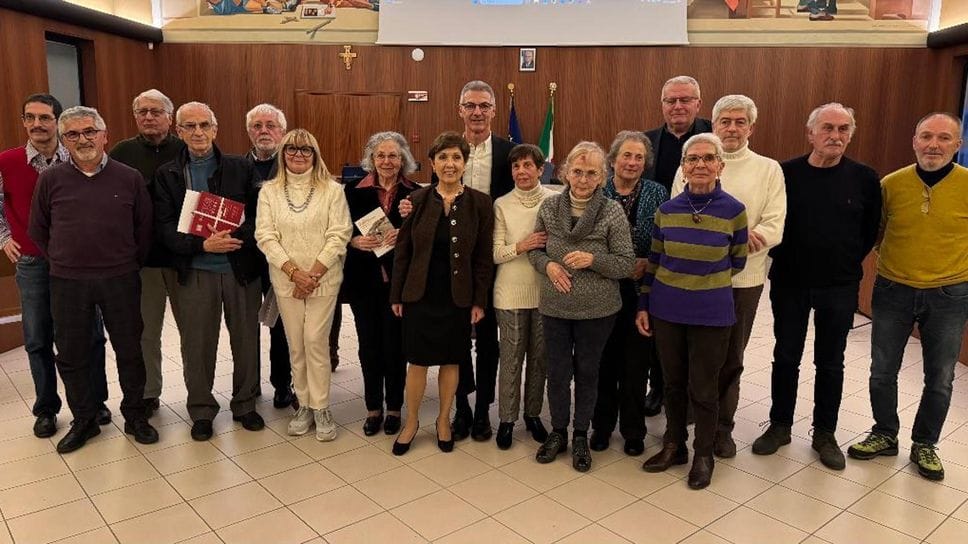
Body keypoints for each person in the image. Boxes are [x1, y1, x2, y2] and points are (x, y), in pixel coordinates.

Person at [752, 103, 880, 470]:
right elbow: (771, 219)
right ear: (811, 134)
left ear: (850, 135)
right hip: (791, 280)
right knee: (786, 356)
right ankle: (779, 426)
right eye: (827, 128)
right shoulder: (785, 173)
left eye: (843, 129)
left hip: (839, 286)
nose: (835, 136)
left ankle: (825, 432)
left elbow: (870, 231)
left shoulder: (865, 178)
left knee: (831, 362)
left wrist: (843, 261)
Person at [28, 106, 158, 453]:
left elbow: (143, 231)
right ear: (64, 140)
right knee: (71, 354)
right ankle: (84, 419)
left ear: (105, 136)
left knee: (129, 349)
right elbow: (38, 230)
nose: (83, 139)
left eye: (89, 132)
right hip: (68, 282)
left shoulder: (129, 177)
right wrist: (64, 260)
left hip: (120, 278)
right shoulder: (50, 179)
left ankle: (135, 415)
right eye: (73, 134)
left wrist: (125, 261)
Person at [848, 112, 968, 482]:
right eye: (926, 136)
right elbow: (877, 231)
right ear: (914, 141)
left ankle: (925, 443)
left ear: (958, 145)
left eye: (944, 138)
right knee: (883, 370)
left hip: (949, 294)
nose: (934, 145)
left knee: (941, 376)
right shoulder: (892, 184)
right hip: (893, 289)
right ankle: (884, 433)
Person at [671, 94, 786, 458]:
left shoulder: (768, 169)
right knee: (690, 353)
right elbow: (678, 214)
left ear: (751, 127)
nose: (732, 128)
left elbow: (774, 223)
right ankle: (690, 415)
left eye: (740, 122)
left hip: (743, 279)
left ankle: (722, 427)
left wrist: (741, 240)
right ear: (714, 124)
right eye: (725, 121)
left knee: (729, 356)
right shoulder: (691, 162)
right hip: (693, 280)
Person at [400, 80, 514, 442]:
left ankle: (483, 411)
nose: (477, 112)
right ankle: (460, 409)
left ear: (494, 110)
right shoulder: (447, 150)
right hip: (448, 265)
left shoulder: (508, 151)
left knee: (488, 342)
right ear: (459, 109)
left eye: (484, 105)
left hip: (494, 259)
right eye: (470, 105)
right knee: (457, 345)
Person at [638, 133, 748, 490]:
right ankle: (674, 444)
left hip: (712, 314)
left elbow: (737, 261)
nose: (700, 165)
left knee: (704, 387)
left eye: (707, 158)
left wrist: (702, 284)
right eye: (692, 159)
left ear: (720, 165)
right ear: (683, 168)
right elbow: (654, 261)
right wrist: (644, 304)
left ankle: (703, 453)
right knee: (671, 383)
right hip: (667, 310)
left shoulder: (734, 211)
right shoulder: (666, 211)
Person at [0, 94, 110, 440]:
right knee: (37, 337)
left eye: (45, 118)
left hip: (77, 263)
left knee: (89, 335)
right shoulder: (7, 161)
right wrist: (3, 238)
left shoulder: (79, 158)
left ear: (58, 123)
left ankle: (96, 402)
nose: (37, 125)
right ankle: (46, 408)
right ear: (23, 122)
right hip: (33, 261)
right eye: (30, 118)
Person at [153, 101, 264, 441]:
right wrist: (202, 246)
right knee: (197, 345)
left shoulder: (240, 168)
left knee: (246, 339)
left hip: (239, 268)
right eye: (190, 126)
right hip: (195, 270)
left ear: (216, 129)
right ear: (179, 131)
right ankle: (201, 410)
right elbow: (164, 227)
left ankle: (245, 405)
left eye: (204, 125)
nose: (198, 132)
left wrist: (232, 239)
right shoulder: (167, 174)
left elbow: (261, 215)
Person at [529, 141, 635, 472]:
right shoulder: (548, 208)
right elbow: (535, 251)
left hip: (597, 311)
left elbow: (625, 264)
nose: (583, 179)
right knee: (558, 373)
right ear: (564, 173)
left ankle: (580, 435)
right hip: (555, 307)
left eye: (591, 173)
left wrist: (593, 259)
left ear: (602, 176)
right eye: (577, 171)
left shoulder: (611, 211)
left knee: (588, 373)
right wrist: (548, 266)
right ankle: (558, 431)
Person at [389, 131, 495, 455]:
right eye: (443, 158)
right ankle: (411, 423)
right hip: (420, 295)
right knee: (417, 362)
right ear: (432, 164)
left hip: (457, 298)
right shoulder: (417, 201)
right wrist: (396, 295)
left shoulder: (480, 203)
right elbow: (403, 251)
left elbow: (482, 257)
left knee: (452, 361)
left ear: (465, 163)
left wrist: (479, 300)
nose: (450, 164)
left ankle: (444, 420)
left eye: (456, 158)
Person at [255, 129, 352, 441]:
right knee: (295, 343)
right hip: (286, 282)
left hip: (323, 279)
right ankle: (305, 406)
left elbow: (340, 233)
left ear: (315, 153)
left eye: (305, 149)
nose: (298, 154)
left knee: (315, 341)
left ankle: (322, 405)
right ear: (283, 153)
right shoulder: (268, 191)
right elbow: (265, 236)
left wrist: (312, 274)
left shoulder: (332, 190)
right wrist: (294, 273)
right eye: (291, 149)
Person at [109, 89, 186, 417]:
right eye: (142, 111)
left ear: (170, 117)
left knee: (194, 331)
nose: (149, 117)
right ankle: (149, 392)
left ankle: (198, 393)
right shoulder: (120, 153)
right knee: (146, 333)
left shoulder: (186, 150)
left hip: (185, 259)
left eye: (156, 111)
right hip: (142, 262)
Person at [590, 131, 668, 456]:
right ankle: (602, 426)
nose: (633, 162)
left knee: (636, 364)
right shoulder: (596, 192)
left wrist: (646, 262)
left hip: (642, 290)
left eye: (639, 157)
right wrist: (618, 264)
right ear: (613, 159)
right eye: (626, 155)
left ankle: (633, 429)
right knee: (603, 362)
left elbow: (665, 239)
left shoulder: (657, 192)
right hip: (603, 289)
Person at [642, 75, 711, 415]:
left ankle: (694, 396)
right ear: (662, 105)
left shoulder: (714, 140)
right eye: (671, 100)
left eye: (686, 99)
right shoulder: (647, 143)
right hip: (658, 250)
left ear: (698, 103)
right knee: (661, 325)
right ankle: (659, 387)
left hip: (702, 254)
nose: (678, 106)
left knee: (697, 332)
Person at [343, 131, 418, 437]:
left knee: (395, 346)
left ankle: (395, 408)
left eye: (393, 156)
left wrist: (406, 234)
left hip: (399, 284)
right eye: (381, 155)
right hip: (364, 280)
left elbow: (426, 235)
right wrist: (352, 240)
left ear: (403, 160)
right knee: (368, 345)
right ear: (371, 159)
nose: (387, 161)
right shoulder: (350, 190)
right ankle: (373, 406)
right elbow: (336, 228)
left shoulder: (416, 193)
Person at [492, 143, 556, 450]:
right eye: (516, 166)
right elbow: (495, 253)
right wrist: (522, 245)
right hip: (510, 294)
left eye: (528, 165)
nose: (521, 171)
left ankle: (532, 415)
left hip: (546, 293)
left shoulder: (556, 201)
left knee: (539, 359)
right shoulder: (501, 204)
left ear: (540, 169)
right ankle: (506, 419)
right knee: (512, 360)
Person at [244, 103, 297, 409]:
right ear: (249, 132)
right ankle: (249, 387)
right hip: (247, 259)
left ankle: (282, 384)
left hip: (285, 260)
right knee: (245, 326)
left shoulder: (296, 164)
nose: (264, 131)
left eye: (270, 125)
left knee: (282, 325)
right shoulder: (236, 166)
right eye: (257, 126)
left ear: (282, 131)